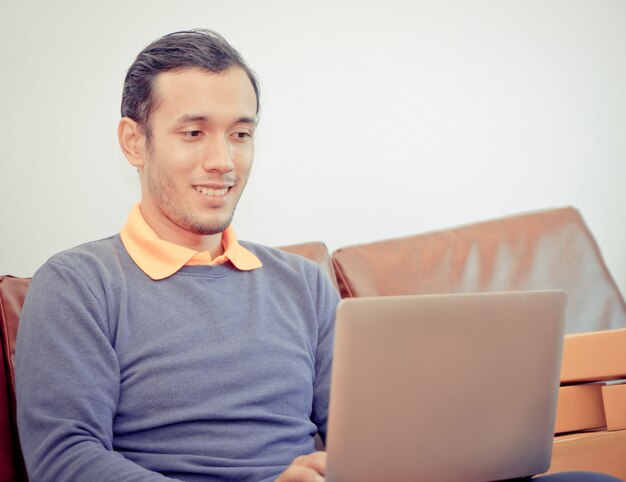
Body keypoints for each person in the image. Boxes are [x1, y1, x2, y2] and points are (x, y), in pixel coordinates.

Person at [14, 29, 621, 482]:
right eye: (194, 132)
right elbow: (65, 460)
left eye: (241, 133)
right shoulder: (79, 284)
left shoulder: (299, 283)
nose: (224, 160)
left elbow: (359, 437)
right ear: (133, 141)